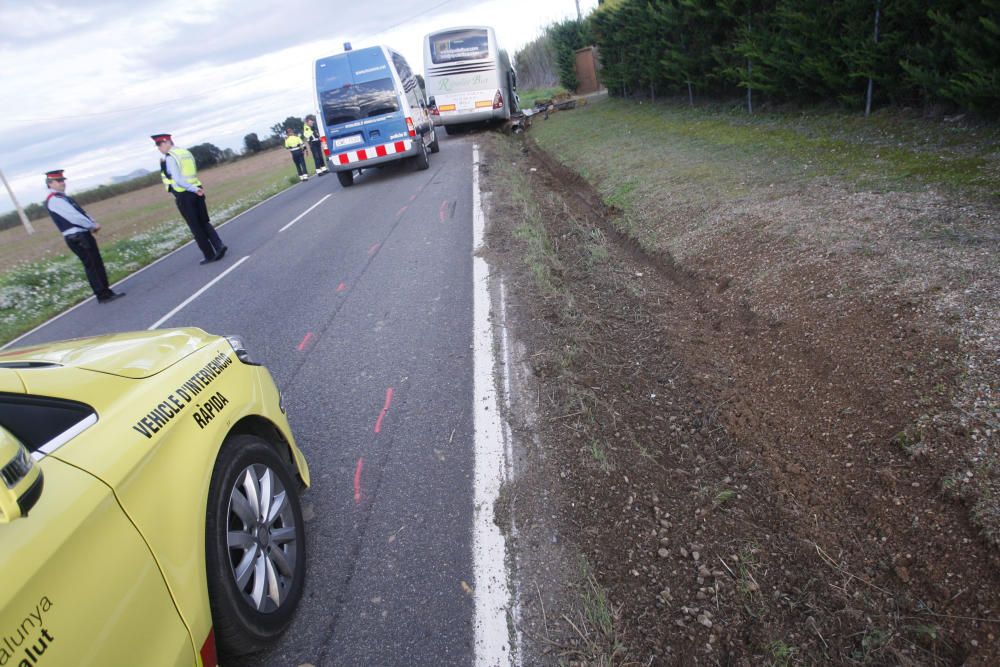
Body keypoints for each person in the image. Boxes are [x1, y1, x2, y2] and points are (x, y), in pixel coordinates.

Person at [43, 170, 125, 304]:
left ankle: (105, 291)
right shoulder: (55, 200)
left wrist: (91, 224)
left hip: (80, 234)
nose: (63, 183)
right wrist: (91, 225)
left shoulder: (61, 197)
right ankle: (103, 294)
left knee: (95, 263)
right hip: (77, 236)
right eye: (59, 181)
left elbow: (80, 213)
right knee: (93, 265)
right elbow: (74, 217)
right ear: (50, 183)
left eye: (63, 180)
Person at [152, 133, 227, 265]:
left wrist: (192, 189)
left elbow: (178, 179)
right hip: (197, 189)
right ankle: (219, 245)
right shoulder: (185, 152)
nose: (159, 149)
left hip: (185, 193)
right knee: (204, 221)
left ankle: (209, 255)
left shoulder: (170, 157)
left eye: (159, 145)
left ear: (166, 142)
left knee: (195, 227)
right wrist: (196, 188)